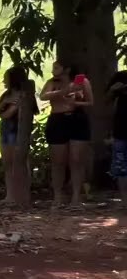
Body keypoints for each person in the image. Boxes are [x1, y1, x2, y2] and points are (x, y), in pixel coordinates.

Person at [41, 61, 94, 206]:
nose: (53, 70)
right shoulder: (52, 82)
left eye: (56, 67)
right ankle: (58, 196)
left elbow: (90, 102)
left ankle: (76, 197)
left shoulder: (80, 81)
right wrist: (61, 92)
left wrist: (75, 103)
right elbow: (43, 96)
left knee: (76, 159)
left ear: (67, 69)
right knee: (58, 161)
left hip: (77, 119)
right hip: (57, 120)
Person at [0, 67, 36, 205]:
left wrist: (14, 107)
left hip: (17, 131)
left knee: (20, 162)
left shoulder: (25, 95)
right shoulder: (6, 95)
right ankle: (10, 195)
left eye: (6, 78)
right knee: (8, 164)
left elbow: (10, 114)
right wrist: (7, 103)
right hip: (5, 130)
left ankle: (23, 194)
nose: (3, 81)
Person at [110, 71, 127, 205]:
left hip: (120, 135)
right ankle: (125, 200)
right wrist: (112, 90)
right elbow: (105, 102)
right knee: (121, 169)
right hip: (120, 134)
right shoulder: (120, 77)